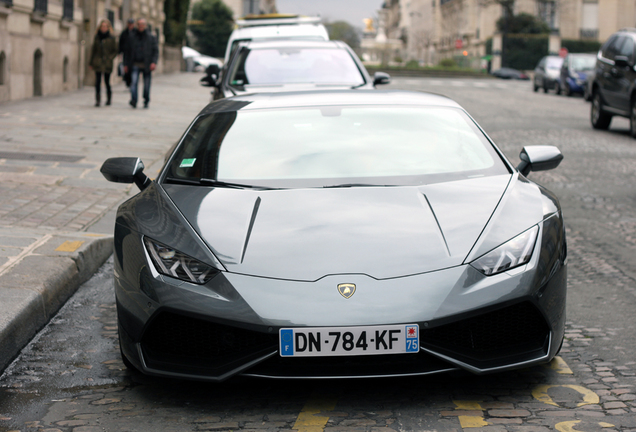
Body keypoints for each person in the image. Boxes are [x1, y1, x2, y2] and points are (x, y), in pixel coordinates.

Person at [124, 18, 158, 108]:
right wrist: (125, 64)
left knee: (147, 85)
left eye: (142, 24)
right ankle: (134, 100)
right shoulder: (132, 36)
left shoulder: (151, 37)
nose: (141, 26)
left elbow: (155, 51)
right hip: (135, 63)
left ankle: (146, 100)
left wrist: (153, 62)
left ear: (145, 25)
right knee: (134, 82)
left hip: (147, 64)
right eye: (139, 24)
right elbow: (127, 51)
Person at [89, 19, 118, 107]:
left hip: (107, 63)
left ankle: (109, 99)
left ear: (108, 28)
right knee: (97, 82)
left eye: (105, 26)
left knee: (107, 82)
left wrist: (110, 58)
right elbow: (93, 50)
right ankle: (98, 100)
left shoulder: (112, 38)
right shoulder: (97, 37)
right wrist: (91, 62)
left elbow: (115, 50)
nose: (104, 28)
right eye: (102, 26)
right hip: (98, 62)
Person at [118, 18, 135, 87]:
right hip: (126, 53)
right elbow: (121, 43)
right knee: (126, 67)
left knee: (132, 68)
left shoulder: (135, 32)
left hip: (134, 53)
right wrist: (119, 51)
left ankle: (131, 81)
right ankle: (127, 81)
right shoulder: (124, 33)